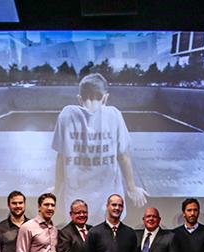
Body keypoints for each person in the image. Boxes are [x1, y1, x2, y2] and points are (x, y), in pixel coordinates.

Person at [52, 72, 147, 222]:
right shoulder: (114, 115)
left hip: (76, 202)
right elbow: (123, 155)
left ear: (79, 98)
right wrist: (132, 188)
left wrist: (56, 189)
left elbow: (60, 157)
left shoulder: (67, 114)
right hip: (108, 201)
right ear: (105, 97)